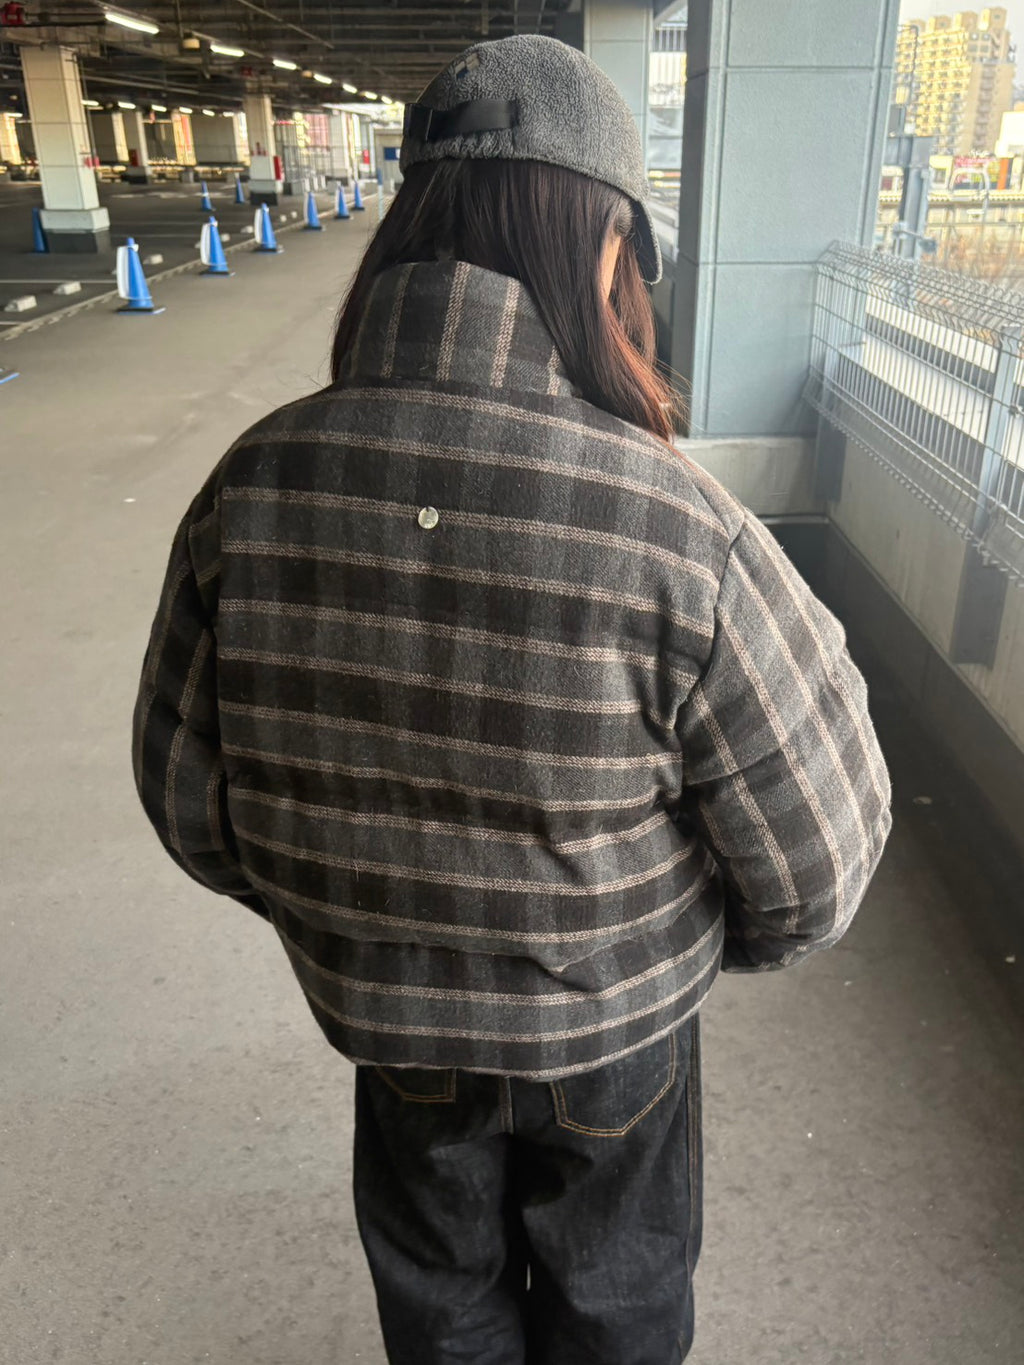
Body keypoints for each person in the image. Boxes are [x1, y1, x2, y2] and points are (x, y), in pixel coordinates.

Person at [132, 34, 892, 1365]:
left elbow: (190, 802)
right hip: (614, 1036)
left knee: (439, 1309)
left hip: (394, 1027)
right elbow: (817, 863)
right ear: (605, 250)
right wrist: (664, 949)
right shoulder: (681, 530)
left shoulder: (251, 487)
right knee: (614, 1306)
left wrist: (360, 918)